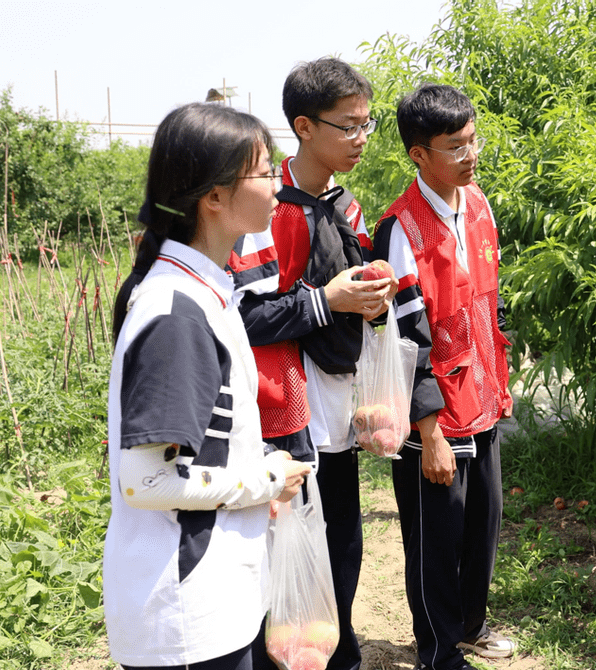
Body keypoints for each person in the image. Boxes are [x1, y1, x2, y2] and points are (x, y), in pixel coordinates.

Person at [104, 102, 312, 670]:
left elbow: (202, 441)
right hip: (185, 612)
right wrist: (261, 480)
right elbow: (144, 479)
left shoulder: (203, 294)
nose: (277, 183)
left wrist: (257, 468)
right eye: (265, 171)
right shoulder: (178, 312)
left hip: (211, 601)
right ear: (214, 197)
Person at [227, 57, 393, 670]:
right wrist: (327, 302)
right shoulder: (269, 213)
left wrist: (371, 301)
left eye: (366, 125)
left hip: (338, 412)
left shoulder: (344, 207)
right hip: (284, 414)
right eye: (348, 126)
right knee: (286, 554)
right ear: (304, 126)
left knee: (341, 546)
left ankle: (335, 652)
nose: (361, 139)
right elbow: (242, 319)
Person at [371, 83, 515, 670]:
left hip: (482, 394)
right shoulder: (401, 228)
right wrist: (427, 429)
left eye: (473, 139)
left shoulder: (476, 203)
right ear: (419, 154)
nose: (470, 153)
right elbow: (405, 336)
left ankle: (470, 627)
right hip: (434, 408)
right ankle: (436, 648)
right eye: (455, 146)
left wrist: (501, 377)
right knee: (436, 536)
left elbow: (490, 300)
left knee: (484, 521)